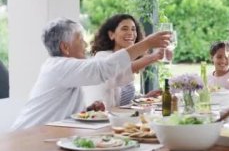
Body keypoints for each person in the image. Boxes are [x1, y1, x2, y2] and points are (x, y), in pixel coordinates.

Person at [11, 18, 170, 130]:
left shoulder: (65, 68)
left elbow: (59, 107)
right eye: (80, 39)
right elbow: (104, 69)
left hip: (47, 135)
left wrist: (86, 110)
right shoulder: (58, 66)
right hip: (27, 137)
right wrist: (148, 43)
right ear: (65, 47)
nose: (86, 44)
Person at [87, 14, 163, 108]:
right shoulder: (102, 57)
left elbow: (122, 97)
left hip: (118, 118)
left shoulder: (126, 60)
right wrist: (153, 57)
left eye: (133, 29)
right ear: (111, 35)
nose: (130, 33)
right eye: (124, 29)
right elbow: (123, 70)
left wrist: (144, 98)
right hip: (99, 118)